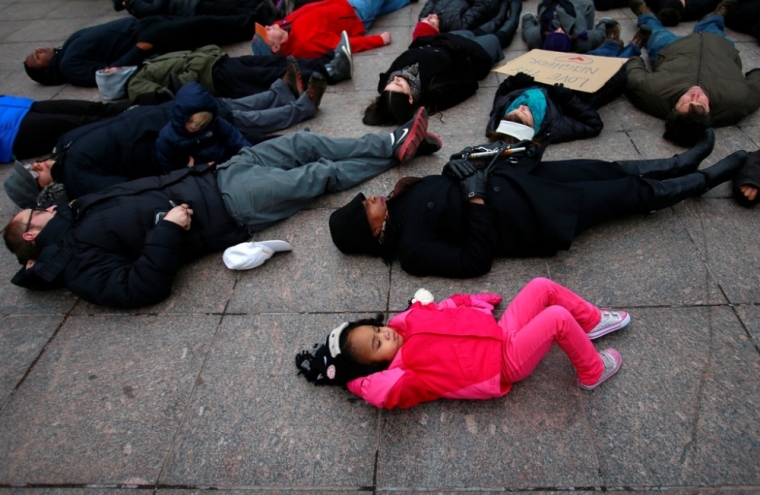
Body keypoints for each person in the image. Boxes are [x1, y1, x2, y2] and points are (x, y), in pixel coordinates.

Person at [2, 108, 441, 308]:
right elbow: (138, 289)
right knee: (318, 175)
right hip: (228, 208)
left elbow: (141, 188)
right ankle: (396, 151)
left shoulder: (76, 213)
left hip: (215, 175)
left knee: (304, 142)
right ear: (30, 235)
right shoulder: (77, 264)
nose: (46, 210)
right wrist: (168, 230)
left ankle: (389, 141)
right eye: (36, 215)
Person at [329, 130, 748, 278]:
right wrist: (474, 197)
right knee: (623, 195)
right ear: (369, 231)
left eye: (366, 198)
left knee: (605, 168)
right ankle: (704, 180)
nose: (373, 198)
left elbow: (445, 184)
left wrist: (458, 170)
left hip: (522, 180)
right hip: (530, 216)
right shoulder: (412, 253)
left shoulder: (401, 196)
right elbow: (475, 261)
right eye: (366, 207)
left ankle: (681, 161)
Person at [295, 279, 629, 408]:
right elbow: (380, 393)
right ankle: (592, 371)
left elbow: (439, 307)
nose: (385, 335)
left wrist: (470, 299)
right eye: (377, 345)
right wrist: (349, 379)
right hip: (504, 362)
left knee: (541, 286)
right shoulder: (405, 373)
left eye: (376, 330)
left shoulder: (407, 322)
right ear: (377, 365)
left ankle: (590, 322)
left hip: (499, 332)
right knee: (556, 317)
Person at [3, 75, 328, 208]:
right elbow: (128, 188)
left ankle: (283, 98)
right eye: (34, 174)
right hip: (170, 141)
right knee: (241, 131)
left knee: (226, 109)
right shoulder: (77, 179)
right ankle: (300, 126)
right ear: (43, 192)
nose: (37, 165)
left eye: (31, 164)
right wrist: (180, 172)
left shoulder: (63, 146)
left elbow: (103, 120)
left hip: (156, 115)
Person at [626, 0, 760, 145]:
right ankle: (716, 16)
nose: (695, 95)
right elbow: (757, 84)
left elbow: (634, 76)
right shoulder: (736, 102)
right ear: (709, 112)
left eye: (686, 102)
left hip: (672, 48)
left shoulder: (653, 93)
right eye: (702, 104)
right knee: (713, 28)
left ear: (673, 109)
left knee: (655, 32)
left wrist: (632, 54)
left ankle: (644, 15)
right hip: (718, 47)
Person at [362, 1, 522, 126]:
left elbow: (412, 50)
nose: (395, 79)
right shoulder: (433, 94)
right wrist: (458, 52)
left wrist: (433, 39)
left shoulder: (391, 80)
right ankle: (515, 13)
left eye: (390, 83)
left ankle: (503, 6)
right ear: (410, 98)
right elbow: (469, 84)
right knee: (501, 33)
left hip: (446, 39)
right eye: (399, 85)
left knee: (491, 24)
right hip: (474, 53)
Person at [23, 14, 259, 87]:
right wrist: (140, 48)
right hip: (144, 39)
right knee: (203, 25)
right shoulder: (69, 67)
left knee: (199, 20)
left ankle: (254, 14)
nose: (38, 50)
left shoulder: (65, 50)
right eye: (36, 57)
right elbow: (108, 74)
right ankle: (256, 22)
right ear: (45, 71)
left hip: (143, 26)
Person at [96, 44, 350, 104]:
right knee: (270, 72)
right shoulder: (135, 85)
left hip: (216, 61)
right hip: (212, 77)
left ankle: (326, 59)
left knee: (274, 60)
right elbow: (168, 92)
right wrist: (194, 72)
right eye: (107, 73)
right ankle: (329, 71)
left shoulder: (143, 66)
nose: (111, 68)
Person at [484, 72, 625, 157]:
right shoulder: (554, 127)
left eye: (514, 109)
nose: (522, 106)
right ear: (533, 126)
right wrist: (568, 99)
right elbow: (594, 125)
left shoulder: (500, 114)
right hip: (585, 86)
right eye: (524, 113)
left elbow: (501, 94)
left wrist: (512, 82)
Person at [250, 0, 410, 58]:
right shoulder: (306, 43)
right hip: (354, 15)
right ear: (277, 47)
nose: (268, 26)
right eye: (266, 32)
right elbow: (343, 44)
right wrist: (378, 40)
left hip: (342, 5)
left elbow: (279, 23)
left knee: (380, 4)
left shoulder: (283, 27)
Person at [0, 95, 132, 164]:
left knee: (98, 109)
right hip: (15, 132)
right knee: (89, 123)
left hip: (22, 106)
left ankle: (148, 102)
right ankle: (142, 120)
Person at [154, 83, 252, 173]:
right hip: (202, 178)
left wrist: (249, 156)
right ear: (181, 115)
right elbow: (171, 173)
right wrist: (193, 169)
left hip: (229, 164)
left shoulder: (215, 123)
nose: (194, 127)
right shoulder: (167, 139)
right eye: (190, 121)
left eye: (201, 124)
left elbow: (236, 139)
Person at [521, 0, 617, 53]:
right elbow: (599, 34)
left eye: (554, 32)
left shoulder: (536, 38)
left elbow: (527, 27)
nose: (559, 29)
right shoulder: (582, 41)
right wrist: (603, 22)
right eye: (562, 33)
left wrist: (528, 17)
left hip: (553, 3)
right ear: (569, 39)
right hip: (577, 5)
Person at [111, 0, 265, 18]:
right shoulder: (137, 2)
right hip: (190, 7)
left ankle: (260, 7)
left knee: (230, 4)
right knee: (230, 9)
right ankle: (260, 11)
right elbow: (154, 9)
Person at [416, 0, 504, 32]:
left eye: (425, 19)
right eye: (431, 22)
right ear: (437, 30)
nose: (430, 16)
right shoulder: (457, 26)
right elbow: (480, 6)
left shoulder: (424, 15)